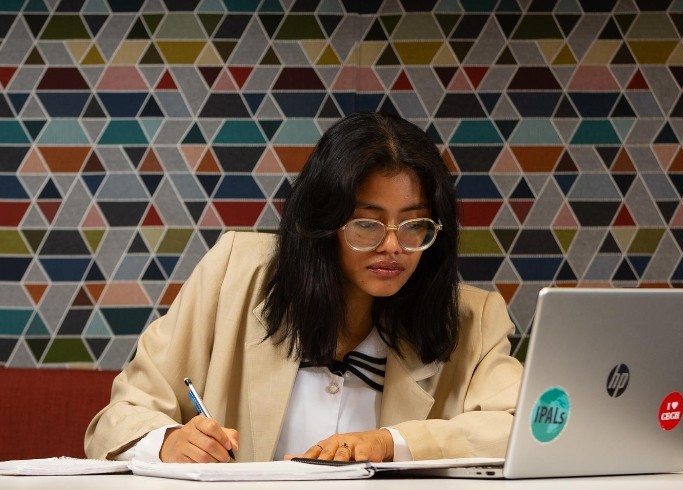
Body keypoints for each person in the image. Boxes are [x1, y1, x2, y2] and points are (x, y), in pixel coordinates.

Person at [84, 112, 523, 464]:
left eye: (414, 226)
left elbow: (525, 429)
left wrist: (392, 443)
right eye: (367, 224)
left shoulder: (472, 317)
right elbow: (119, 417)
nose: (393, 246)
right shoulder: (233, 273)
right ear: (322, 222)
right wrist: (169, 442)